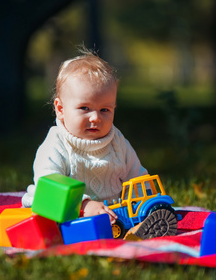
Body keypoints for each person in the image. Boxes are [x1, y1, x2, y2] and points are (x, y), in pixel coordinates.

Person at [21, 47, 147, 223]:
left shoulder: (117, 141)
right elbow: (48, 182)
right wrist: (84, 205)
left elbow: (137, 176)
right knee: (43, 205)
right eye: (84, 108)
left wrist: (145, 202)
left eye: (105, 110)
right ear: (60, 109)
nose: (95, 118)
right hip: (67, 213)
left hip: (113, 214)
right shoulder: (57, 143)